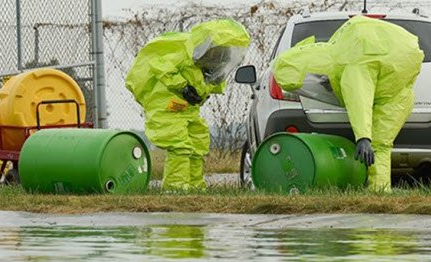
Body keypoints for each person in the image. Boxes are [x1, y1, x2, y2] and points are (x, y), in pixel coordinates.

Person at [272, 15, 424, 192]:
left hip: (386, 75)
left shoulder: (351, 64)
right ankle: (380, 191)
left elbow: (359, 97)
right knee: (381, 145)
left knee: (376, 143)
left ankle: (379, 191)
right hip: (400, 81)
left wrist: (363, 137)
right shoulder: (345, 44)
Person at [126, 19, 250, 190]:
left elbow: (213, 83)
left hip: (187, 109)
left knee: (198, 143)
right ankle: (175, 188)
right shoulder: (185, 54)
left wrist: (204, 93)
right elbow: (160, 67)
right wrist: (183, 87)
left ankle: (194, 187)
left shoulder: (211, 64)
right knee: (180, 145)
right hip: (167, 104)